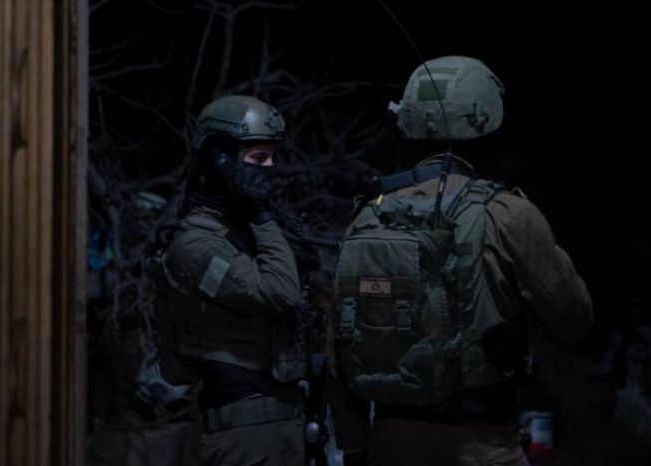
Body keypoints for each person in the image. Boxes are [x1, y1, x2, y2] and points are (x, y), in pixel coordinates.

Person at [330, 56, 593, 466]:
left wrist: (354, 445)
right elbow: (574, 319)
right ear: (486, 121)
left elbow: (339, 348)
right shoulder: (507, 214)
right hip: (484, 445)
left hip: (389, 443)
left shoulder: (368, 215)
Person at [161, 95, 306, 466]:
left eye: (272, 157)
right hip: (246, 436)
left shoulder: (241, 232)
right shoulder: (194, 247)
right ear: (222, 162)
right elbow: (281, 293)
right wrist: (261, 213)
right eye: (258, 158)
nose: (270, 168)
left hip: (282, 427)